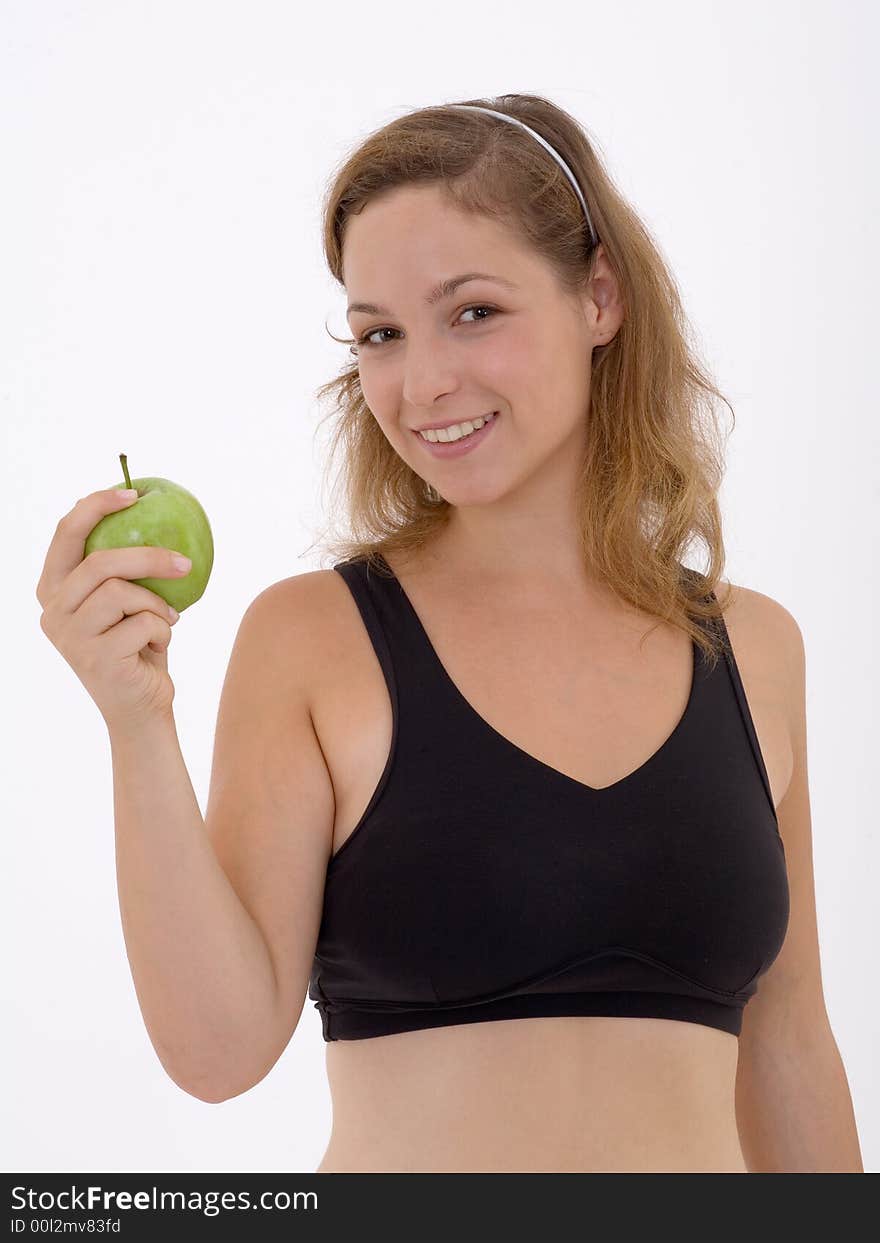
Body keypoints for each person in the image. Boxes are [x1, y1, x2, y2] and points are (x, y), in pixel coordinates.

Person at [36, 93, 862, 1173]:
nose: (422, 382)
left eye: (472, 311)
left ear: (599, 296)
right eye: (380, 332)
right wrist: (136, 721)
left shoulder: (754, 647)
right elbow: (218, 1051)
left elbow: (789, 1044)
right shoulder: (314, 639)